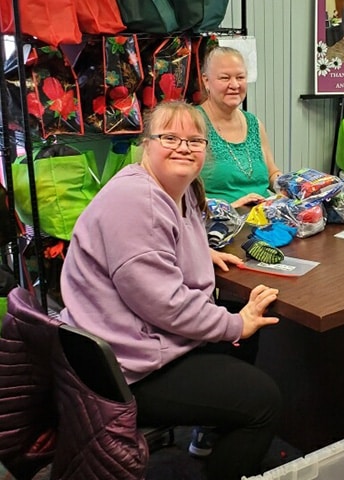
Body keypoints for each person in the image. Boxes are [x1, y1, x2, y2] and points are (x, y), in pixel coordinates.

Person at [59, 101, 282, 480]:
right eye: (169, 137)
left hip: (132, 342)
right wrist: (234, 324)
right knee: (263, 400)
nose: (184, 147)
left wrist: (199, 253)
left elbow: (155, 252)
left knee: (244, 336)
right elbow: (164, 304)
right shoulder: (136, 200)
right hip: (123, 369)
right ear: (146, 143)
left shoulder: (175, 188)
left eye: (195, 140)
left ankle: (208, 435)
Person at [197, 46, 282, 209]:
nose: (234, 85)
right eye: (225, 78)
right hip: (219, 224)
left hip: (264, 218)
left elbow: (272, 173)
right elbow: (183, 192)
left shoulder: (254, 123)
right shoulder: (193, 124)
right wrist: (232, 206)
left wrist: (291, 186)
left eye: (240, 77)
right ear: (206, 80)